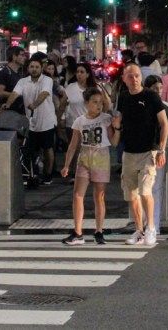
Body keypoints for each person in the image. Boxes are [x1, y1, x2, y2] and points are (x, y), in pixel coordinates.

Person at [116, 64, 168, 246]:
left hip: (148, 150)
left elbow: (164, 124)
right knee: (131, 193)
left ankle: (151, 227)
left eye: (137, 76)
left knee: (146, 190)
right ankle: (139, 230)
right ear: (124, 78)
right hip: (129, 150)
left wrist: (161, 149)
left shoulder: (151, 96)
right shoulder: (123, 97)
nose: (135, 79)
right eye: (130, 76)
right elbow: (119, 119)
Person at [61, 87, 120, 245]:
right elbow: (73, 145)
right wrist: (67, 165)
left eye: (100, 102)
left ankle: (99, 230)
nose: (98, 105)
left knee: (99, 196)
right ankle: (78, 231)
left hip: (101, 156)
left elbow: (114, 142)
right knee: (78, 195)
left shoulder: (106, 118)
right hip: (85, 156)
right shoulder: (80, 121)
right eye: (94, 102)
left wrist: (117, 128)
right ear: (86, 103)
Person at [13, 53, 58, 184]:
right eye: (32, 66)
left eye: (37, 67)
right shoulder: (23, 81)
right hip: (31, 122)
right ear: (28, 68)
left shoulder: (47, 80)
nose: (34, 69)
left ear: (41, 68)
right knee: (30, 150)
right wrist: (7, 104)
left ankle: (48, 174)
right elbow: (15, 93)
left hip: (46, 121)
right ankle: (32, 173)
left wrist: (34, 105)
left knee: (48, 148)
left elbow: (44, 94)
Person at [145, 74, 168, 234]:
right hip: (143, 149)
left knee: (156, 187)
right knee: (142, 188)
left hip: (159, 149)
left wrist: (164, 129)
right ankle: (144, 222)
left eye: (160, 88)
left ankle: (154, 224)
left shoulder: (167, 107)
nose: (158, 91)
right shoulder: (143, 104)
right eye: (155, 88)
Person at [0, 46, 27, 112]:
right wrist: (17, 95)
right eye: (22, 55)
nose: (25, 57)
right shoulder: (5, 72)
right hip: (9, 111)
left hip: (20, 110)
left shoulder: (20, 72)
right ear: (14, 57)